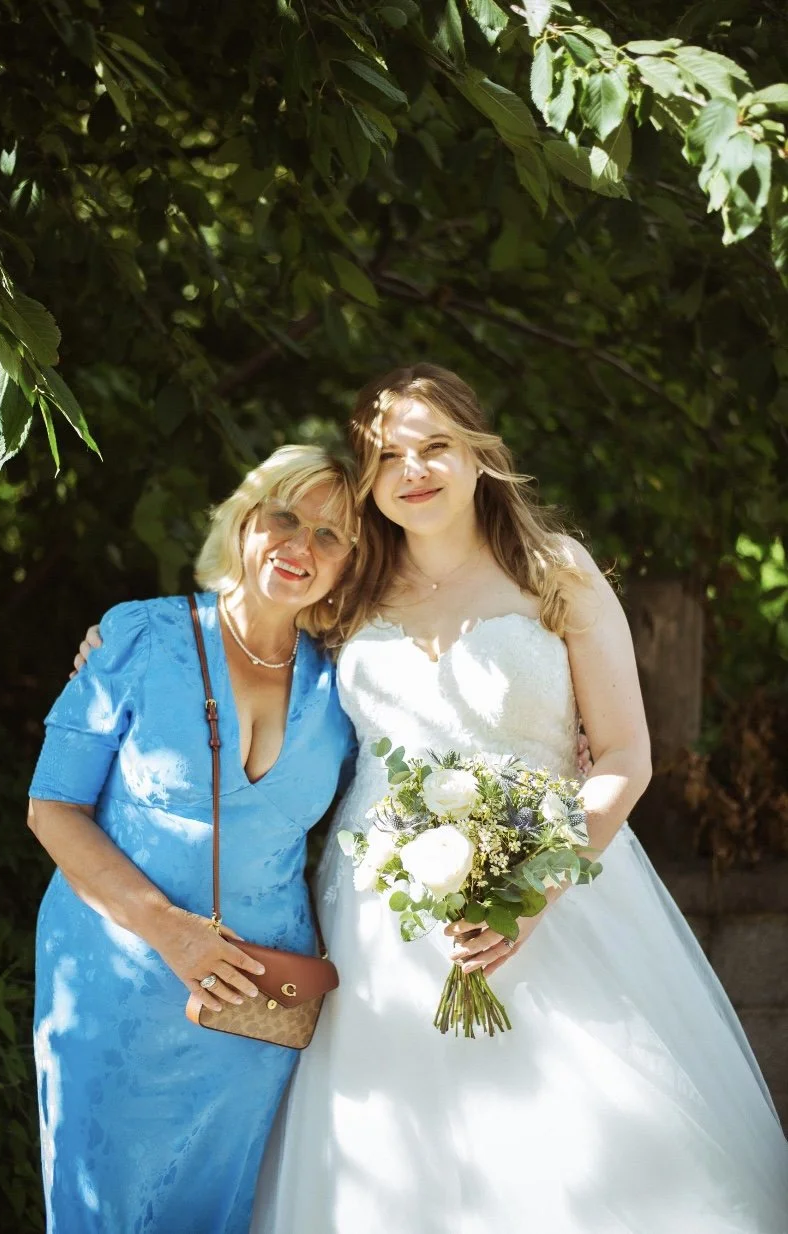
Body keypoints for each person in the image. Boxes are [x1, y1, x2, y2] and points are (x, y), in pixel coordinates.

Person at [75, 366, 788, 1231]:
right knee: (394, 1152)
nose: (413, 469)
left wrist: (530, 895)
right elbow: (239, 634)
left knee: (576, 1146)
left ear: (480, 452)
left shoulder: (554, 573)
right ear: (367, 477)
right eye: (387, 455)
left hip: (555, 891)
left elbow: (627, 757)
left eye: (435, 445)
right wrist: (114, 647)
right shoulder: (348, 588)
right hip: (380, 917)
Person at [27, 445, 360, 1234]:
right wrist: (169, 932)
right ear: (245, 522)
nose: (299, 547)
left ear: (351, 566)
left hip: (258, 1005)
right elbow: (52, 809)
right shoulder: (139, 637)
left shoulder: (347, 686)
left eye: (330, 536)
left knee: (222, 1208)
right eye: (284, 517)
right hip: (115, 985)